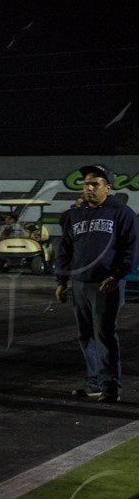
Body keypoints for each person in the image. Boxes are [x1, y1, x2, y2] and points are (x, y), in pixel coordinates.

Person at [56, 164, 139, 402]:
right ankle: (94, 383)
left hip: (106, 284)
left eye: (95, 183)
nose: (89, 188)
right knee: (85, 335)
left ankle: (111, 388)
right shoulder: (74, 214)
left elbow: (131, 248)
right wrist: (61, 280)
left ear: (108, 187)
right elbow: (65, 249)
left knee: (104, 335)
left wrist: (117, 276)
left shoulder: (121, 213)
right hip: (80, 284)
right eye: (86, 184)